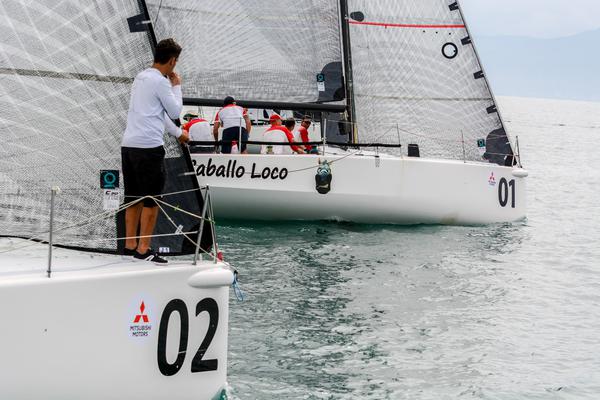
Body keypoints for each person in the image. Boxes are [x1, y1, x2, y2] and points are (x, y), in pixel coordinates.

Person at [121, 38, 189, 264]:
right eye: (176, 62)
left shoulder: (140, 77)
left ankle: (130, 245)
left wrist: (179, 134)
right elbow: (174, 110)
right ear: (172, 60)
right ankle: (144, 249)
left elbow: (155, 114)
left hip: (129, 145)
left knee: (133, 198)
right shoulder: (161, 82)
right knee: (152, 199)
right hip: (149, 148)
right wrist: (176, 85)